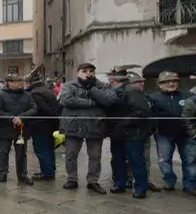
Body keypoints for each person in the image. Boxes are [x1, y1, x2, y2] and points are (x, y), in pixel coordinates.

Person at [58, 62, 117, 193]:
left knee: (95, 156)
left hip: (95, 124)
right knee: (71, 154)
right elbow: (66, 100)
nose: (88, 73)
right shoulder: (69, 85)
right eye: (84, 71)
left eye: (91, 71)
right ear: (78, 73)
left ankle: (93, 181)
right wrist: (91, 103)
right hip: (74, 124)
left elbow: (109, 101)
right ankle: (72, 179)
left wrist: (92, 89)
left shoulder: (103, 86)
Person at [148, 72, 195, 194]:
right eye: (167, 81)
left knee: (190, 160)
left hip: (186, 134)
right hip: (164, 134)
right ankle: (169, 181)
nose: (171, 83)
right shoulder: (153, 98)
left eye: (174, 81)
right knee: (164, 160)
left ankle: (189, 185)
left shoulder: (188, 96)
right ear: (159, 84)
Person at [107, 71, 151, 199]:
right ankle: (120, 183)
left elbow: (141, 112)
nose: (109, 79)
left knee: (136, 161)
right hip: (117, 133)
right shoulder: (113, 92)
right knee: (118, 160)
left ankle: (141, 188)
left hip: (132, 133)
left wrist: (122, 124)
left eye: (111, 77)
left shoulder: (132, 93)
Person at [0, 73, 37, 185]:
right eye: (17, 81)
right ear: (9, 83)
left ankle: (22, 175)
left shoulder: (27, 95)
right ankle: (3, 172)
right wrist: (11, 118)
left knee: (21, 153)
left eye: (20, 81)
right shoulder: (0, 95)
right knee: (4, 151)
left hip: (21, 130)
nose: (20, 83)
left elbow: (33, 108)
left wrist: (22, 117)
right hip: (5, 128)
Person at [26, 72, 60, 181]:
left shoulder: (35, 93)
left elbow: (44, 109)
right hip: (50, 124)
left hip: (40, 124)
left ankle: (47, 173)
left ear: (30, 82)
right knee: (49, 148)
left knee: (41, 149)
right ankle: (50, 170)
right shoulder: (47, 90)